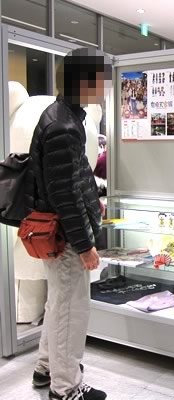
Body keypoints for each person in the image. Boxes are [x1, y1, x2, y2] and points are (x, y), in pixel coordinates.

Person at [28, 47, 112, 400]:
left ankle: (46, 368)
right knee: (70, 310)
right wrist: (85, 245)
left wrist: (93, 202)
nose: (104, 87)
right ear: (83, 81)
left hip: (60, 233)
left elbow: (74, 180)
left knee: (59, 303)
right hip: (65, 237)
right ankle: (66, 388)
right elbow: (64, 193)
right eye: (100, 80)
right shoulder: (63, 125)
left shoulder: (64, 116)